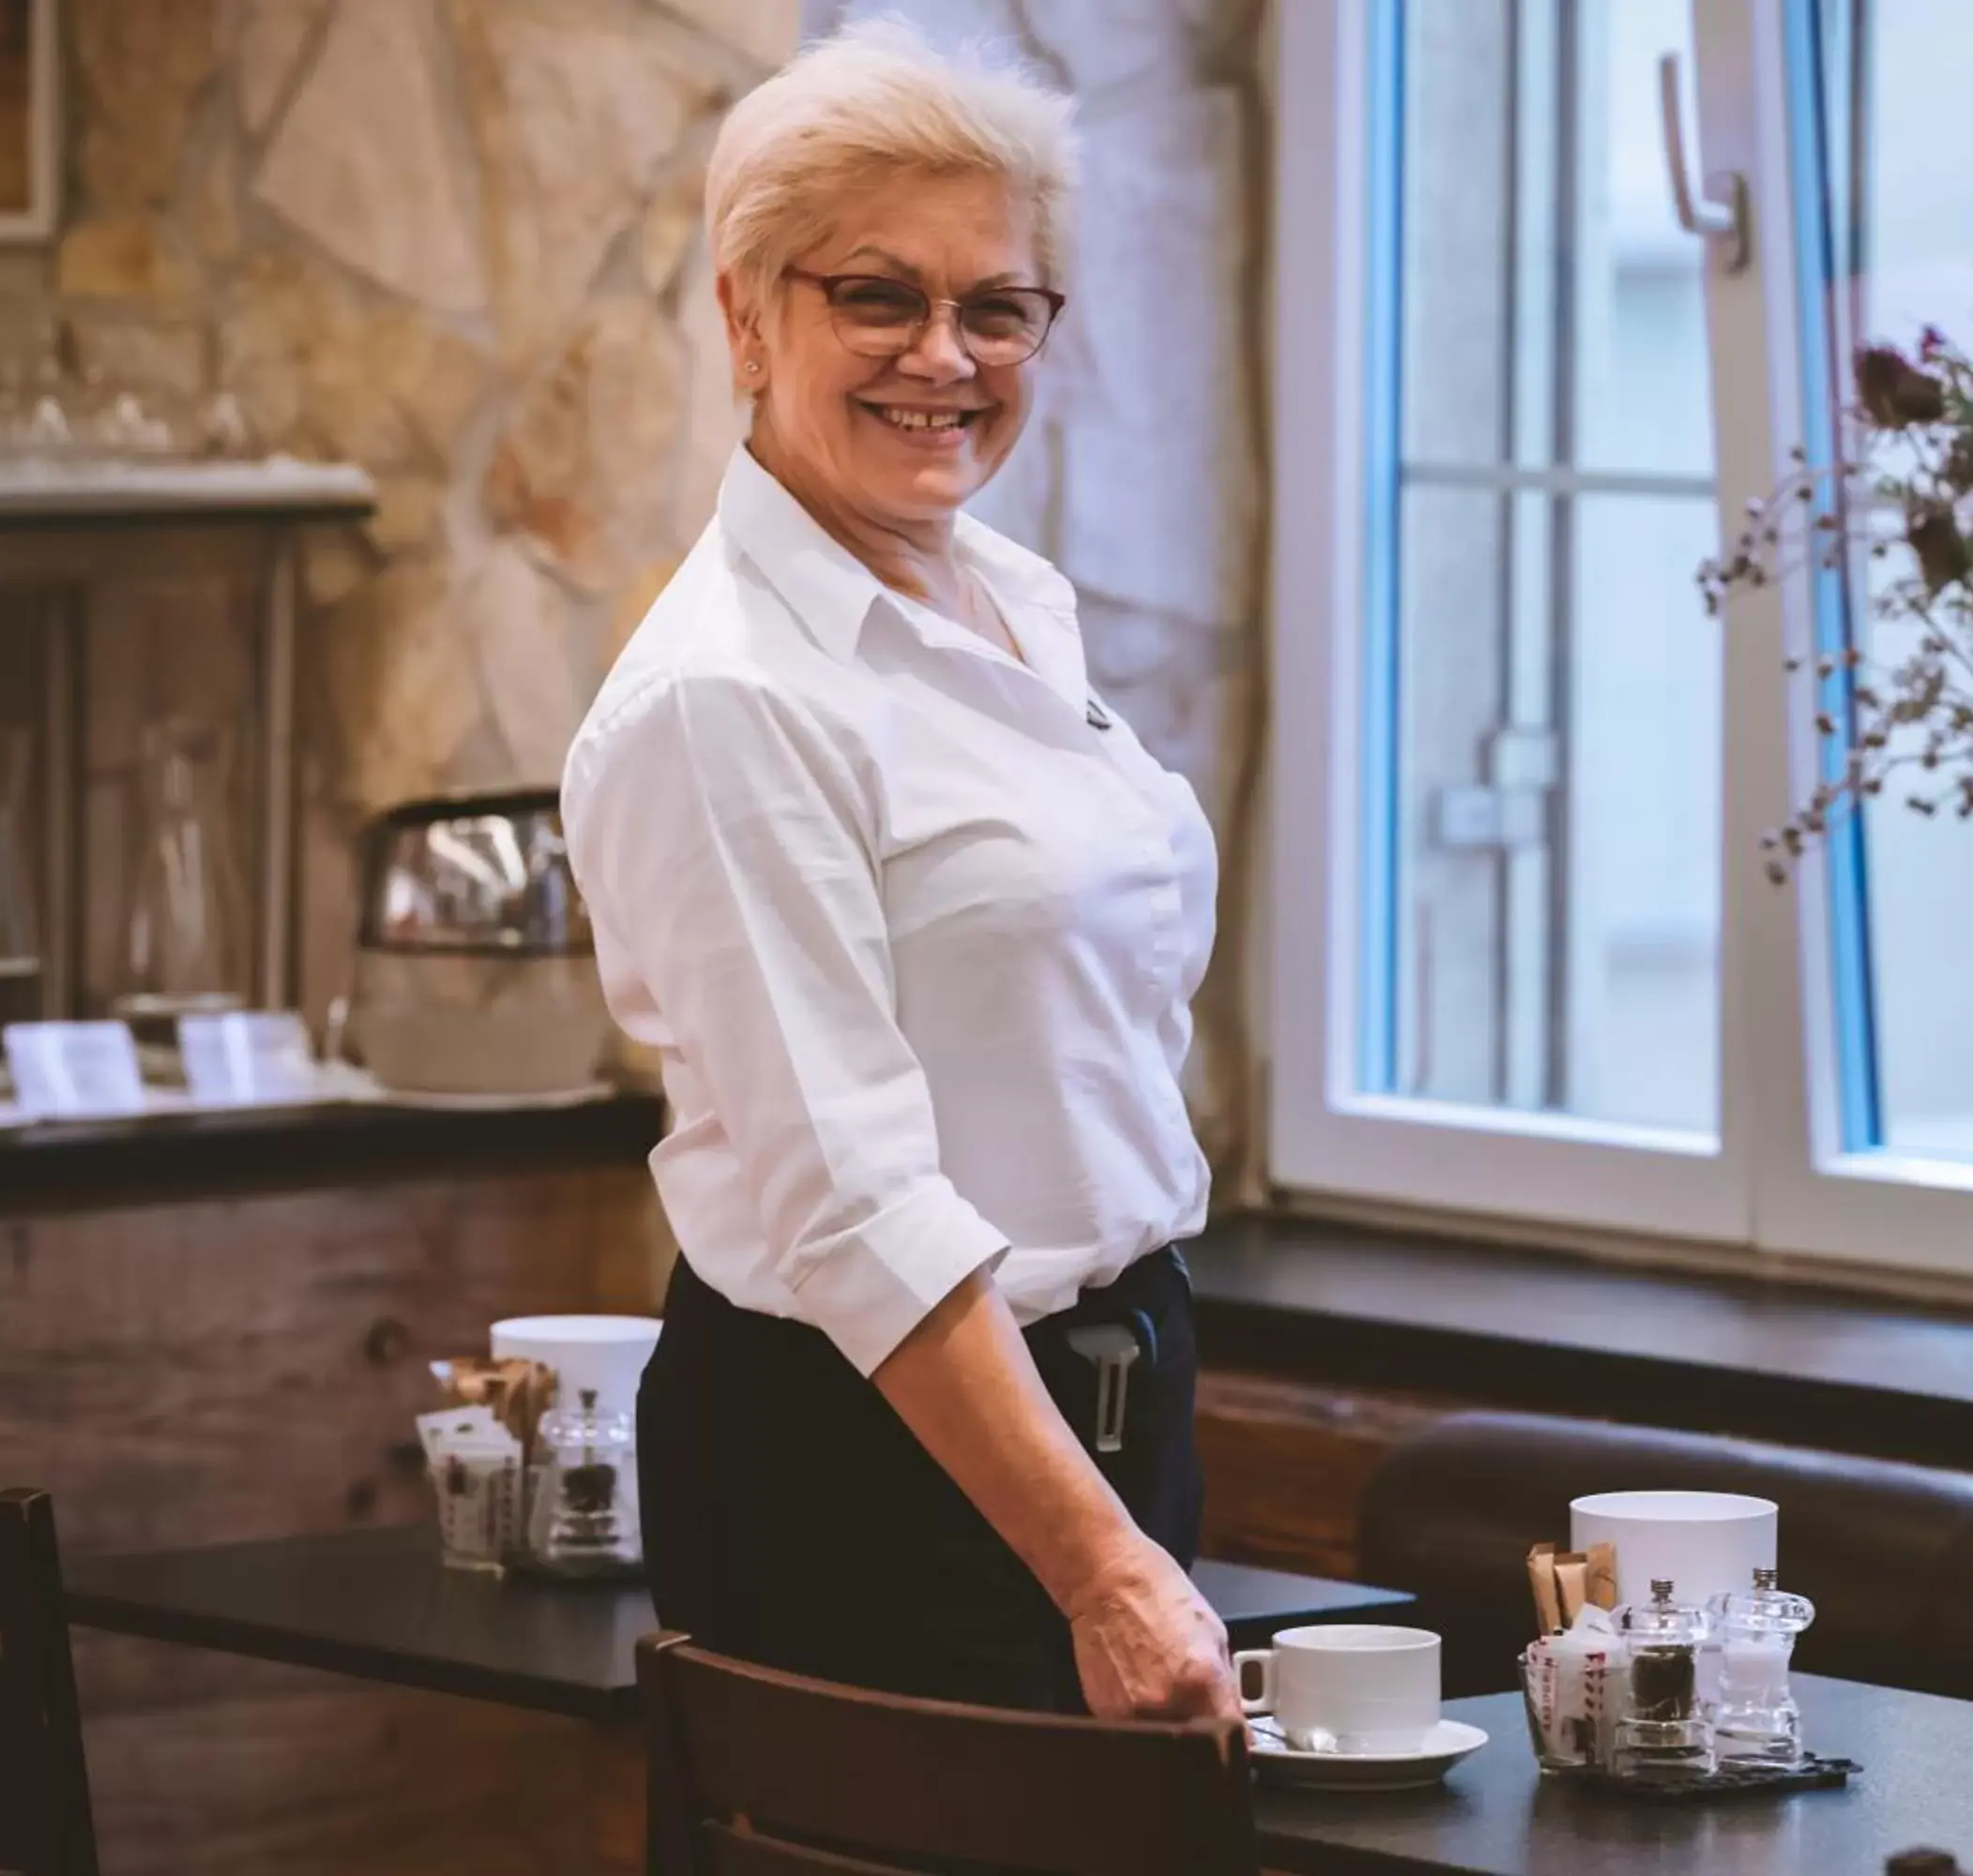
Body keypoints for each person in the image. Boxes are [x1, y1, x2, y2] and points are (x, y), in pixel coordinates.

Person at [559, 20, 1233, 1723]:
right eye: (877, 295)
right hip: (868, 1470)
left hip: (1108, 1420)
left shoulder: (1008, 600)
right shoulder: (727, 694)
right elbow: (854, 1209)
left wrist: (1125, 1520)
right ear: (745, 313)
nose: (946, 354)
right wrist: (1109, 1573)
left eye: (996, 305)